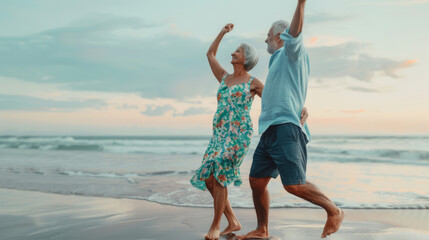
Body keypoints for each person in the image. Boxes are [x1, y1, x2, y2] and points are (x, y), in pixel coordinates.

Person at [190, 23, 309, 240]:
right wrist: (222, 33)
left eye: (238, 51)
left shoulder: (253, 82)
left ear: (246, 58)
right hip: (219, 135)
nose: (233, 53)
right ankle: (233, 221)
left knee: (219, 176)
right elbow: (210, 54)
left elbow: (277, 98)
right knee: (208, 178)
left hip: (238, 135)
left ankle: (215, 226)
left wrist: (300, 107)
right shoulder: (224, 78)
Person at [239, 1, 344, 239]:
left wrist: (300, 3)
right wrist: (301, 105)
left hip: (286, 128)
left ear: (280, 36)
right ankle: (262, 229)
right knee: (256, 181)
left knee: (294, 184)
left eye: (268, 36)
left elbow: (295, 31)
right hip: (268, 130)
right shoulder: (277, 61)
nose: (265, 40)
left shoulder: (291, 51)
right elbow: (283, 92)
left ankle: (334, 210)